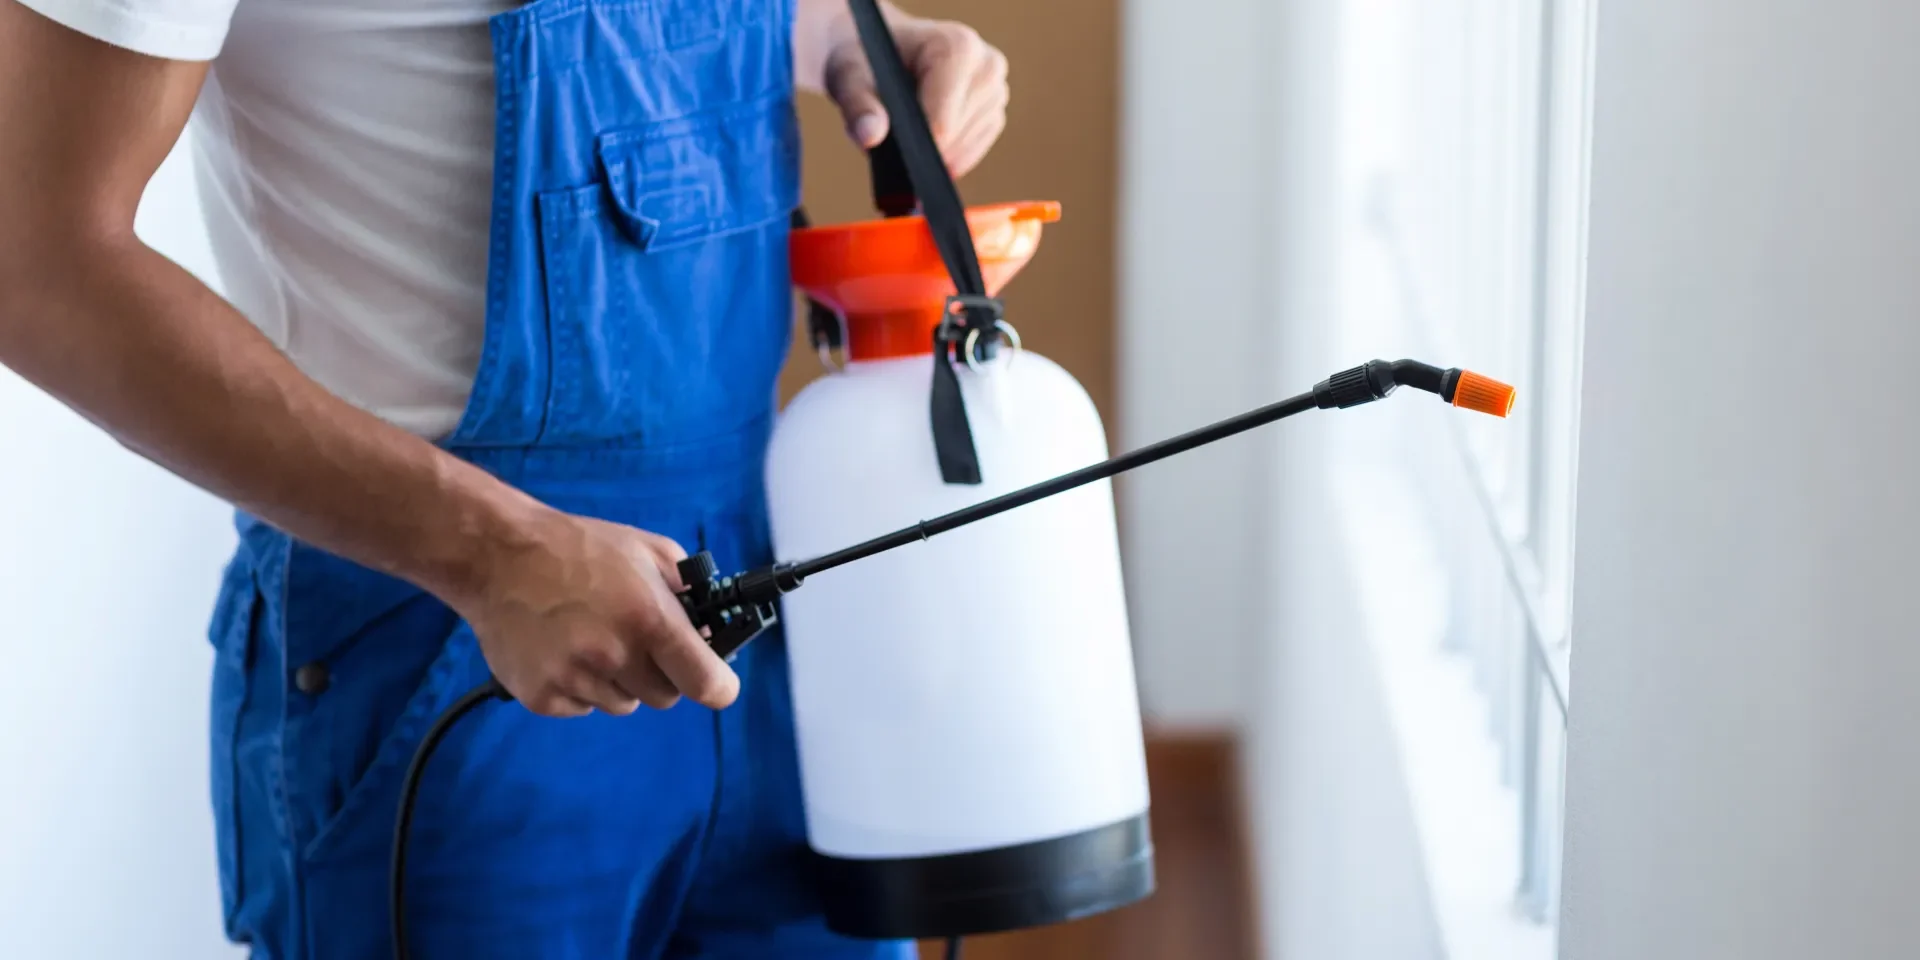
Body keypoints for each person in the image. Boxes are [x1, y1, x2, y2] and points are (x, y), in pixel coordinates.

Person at [0, 0, 1009, 954]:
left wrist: (855, 40)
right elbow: (33, 257)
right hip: (446, 636)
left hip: (772, 615)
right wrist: (492, 553)